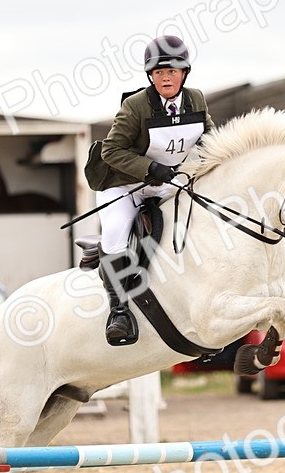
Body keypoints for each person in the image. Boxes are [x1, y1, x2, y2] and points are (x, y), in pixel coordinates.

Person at [85, 35, 215, 345]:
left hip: (166, 184)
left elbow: (210, 139)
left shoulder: (196, 99)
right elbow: (111, 150)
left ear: (184, 73)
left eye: (171, 71)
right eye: (159, 73)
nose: (165, 78)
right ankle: (119, 310)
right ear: (150, 76)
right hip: (125, 185)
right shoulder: (135, 105)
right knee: (116, 231)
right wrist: (149, 168)